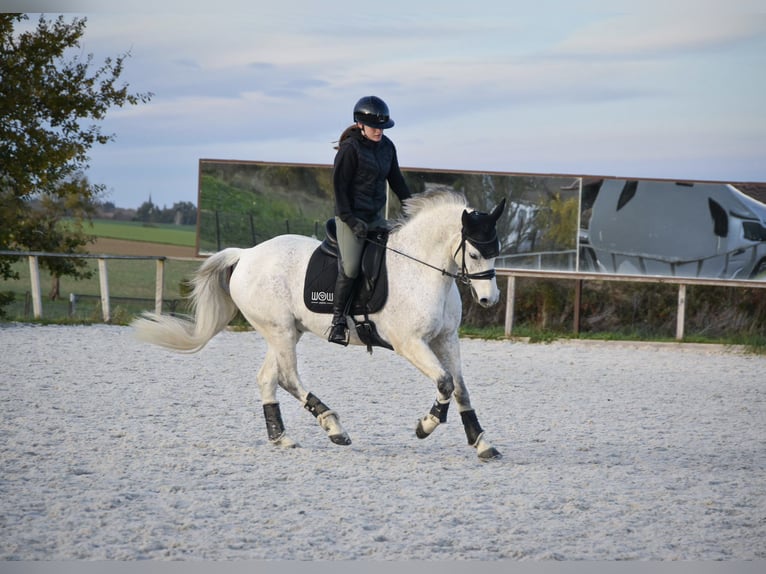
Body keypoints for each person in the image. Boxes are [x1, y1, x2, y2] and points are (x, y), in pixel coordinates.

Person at [328, 95, 412, 345]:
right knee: (352, 267)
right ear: (360, 125)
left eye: (383, 127)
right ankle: (338, 321)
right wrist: (351, 221)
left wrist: (414, 207)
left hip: (376, 217)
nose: (379, 131)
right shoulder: (349, 150)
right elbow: (339, 190)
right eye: (375, 127)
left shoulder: (388, 147)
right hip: (349, 218)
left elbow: (397, 181)